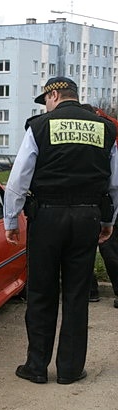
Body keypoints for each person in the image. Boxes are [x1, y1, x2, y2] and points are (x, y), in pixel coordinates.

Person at [4, 77, 118, 385]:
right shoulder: (105, 128)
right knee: (77, 293)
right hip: (87, 217)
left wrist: (11, 221)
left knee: (41, 291)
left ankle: (36, 367)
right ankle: (69, 369)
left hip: (47, 218)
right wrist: (108, 221)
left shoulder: (39, 127)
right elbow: (115, 183)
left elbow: (18, 180)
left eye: (47, 100)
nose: (46, 106)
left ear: (54, 94)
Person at [88, 107, 118, 307]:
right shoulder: (110, 127)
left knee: (102, 246)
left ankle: (90, 290)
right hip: (106, 197)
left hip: (99, 197)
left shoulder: (108, 130)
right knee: (110, 247)